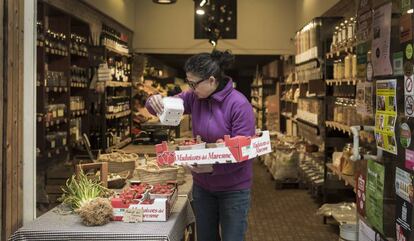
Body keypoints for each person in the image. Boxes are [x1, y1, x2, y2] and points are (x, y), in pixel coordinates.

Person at [146, 49, 255, 241]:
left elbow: (245, 152)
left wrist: (213, 168)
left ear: (212, 80)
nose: (190, 88)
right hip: (203, 187)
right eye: (189, 83)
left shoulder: (239, 105)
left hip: (233, 189)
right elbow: (165, 106)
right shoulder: (193, 97)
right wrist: (153, 102)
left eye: (193, 83)